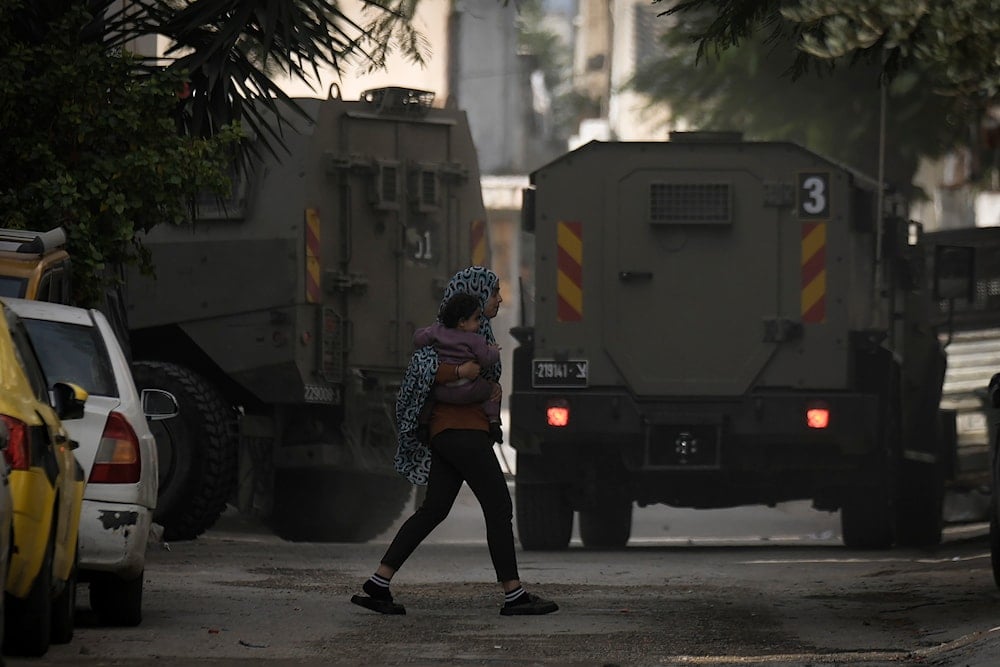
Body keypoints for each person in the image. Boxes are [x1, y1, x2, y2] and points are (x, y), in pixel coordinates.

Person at [350, 266, 558, 617]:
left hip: (449, 436)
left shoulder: (475, 334)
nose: (499, 299)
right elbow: (424, 370)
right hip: (462, 434)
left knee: (433, 510)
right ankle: (514, 594)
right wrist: (462, 375)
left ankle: (378, 583)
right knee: (498, 507)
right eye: (493, 293)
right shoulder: (447, 336)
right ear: (474, 299)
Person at [413, 292, 504, 444]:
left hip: (443, 391)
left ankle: (423, 424)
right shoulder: (475, 339)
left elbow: (418, 338)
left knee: (429, 395)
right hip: (468, 390)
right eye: (476, 319)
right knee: (491, 391)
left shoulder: (437, 331)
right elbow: (486, 359)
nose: (479, 323)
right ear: (462, 322)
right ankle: (494, 422)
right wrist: (494, 350)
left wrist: (431, 332)